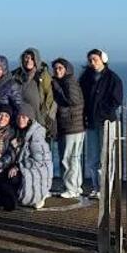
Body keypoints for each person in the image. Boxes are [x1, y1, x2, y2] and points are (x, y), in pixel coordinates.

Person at [79, 49, 123, 199]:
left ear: (103, 59)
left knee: (106, 156)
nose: (93, 63)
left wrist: (101, 112)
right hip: (91, 122)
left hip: (106, 122)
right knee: (93, 157)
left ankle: (106, 189)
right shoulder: (86, 78)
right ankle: (96, 187)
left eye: (95, 59)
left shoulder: (113, 78)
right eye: (90, 60)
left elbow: (116, 100)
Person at [51, 58, 85, 198]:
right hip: (70, 126)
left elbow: (73, 101)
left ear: (67, 69)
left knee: (68, 158)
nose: (57, 71)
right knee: (73, 158)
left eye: (60, 68)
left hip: (72, 125)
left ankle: (71, 188)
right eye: (55, 68)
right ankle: (75, 186)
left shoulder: (69, 82)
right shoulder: (65, 82)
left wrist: (57, 88)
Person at [11, 103, 53, 209]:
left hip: (37, 170)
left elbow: (39, 161)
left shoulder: (36, 136)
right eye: (18, 117)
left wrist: (18, 166)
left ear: (29, 119)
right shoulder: (18, 132)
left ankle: (40, 196)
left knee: (12, 179)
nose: (20, 120)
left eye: (24, 117)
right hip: (24, 167)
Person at [11, 48, 56, 139]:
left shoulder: (43, 75)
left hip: (39, 119)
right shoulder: (15, 75)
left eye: (32, 58)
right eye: (26, 58)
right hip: (19, 120)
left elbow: (49, 98)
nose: (29, 61)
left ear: (37, 60)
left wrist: (46, 117)